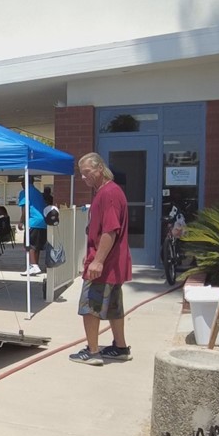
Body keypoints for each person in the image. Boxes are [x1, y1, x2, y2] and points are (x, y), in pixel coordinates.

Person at [69, 152, 133, 366]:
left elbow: (110, 231)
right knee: (114, 307)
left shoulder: (109, 194)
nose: (84, 178)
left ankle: (93, 351)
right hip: (112, 265)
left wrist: (97, 261)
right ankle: (120, 348)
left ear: (99, 169)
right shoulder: (106, 192)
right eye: (81, 174)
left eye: (87, 173)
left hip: (104, 264)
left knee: (89, 306)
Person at [17, 177, 47, 276]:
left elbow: (25, 207)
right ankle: (34, 266)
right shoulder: (38, 192)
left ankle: (33, 265)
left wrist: (21, 221)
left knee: (29, 245)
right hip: (42, 221)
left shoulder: (24, 192)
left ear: (24, 182)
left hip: (32, 221)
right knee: (36, 246)